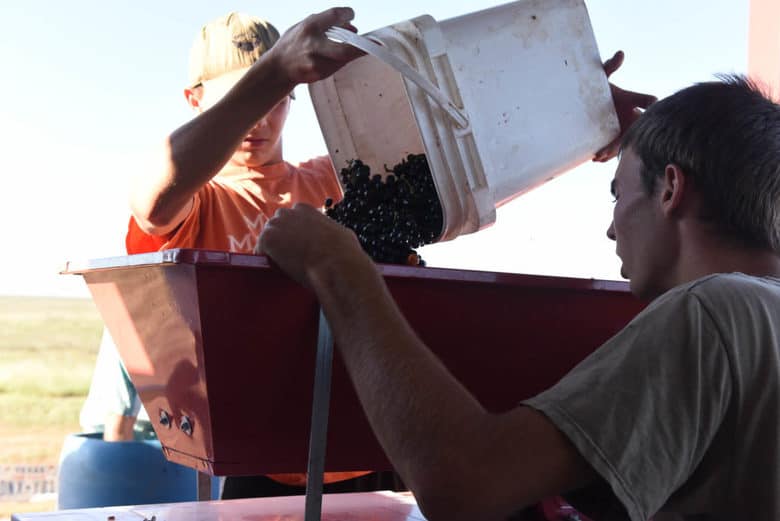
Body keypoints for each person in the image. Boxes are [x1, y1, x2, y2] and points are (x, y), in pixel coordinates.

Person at [258, 75, 780, 520]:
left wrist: (339, 269)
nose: (611, 231)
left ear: (670, 189)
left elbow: (466, 483)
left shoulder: (713, 312)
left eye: (618, 194)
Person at [79, 7, 408, 499]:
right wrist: (273, 72)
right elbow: (152, 201)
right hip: (261, 474)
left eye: (276, 100)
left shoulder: (333, 182)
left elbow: (428, 169)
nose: (259, 117)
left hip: (377, 452)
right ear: (195, 101)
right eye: (241, 97)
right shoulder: (198, 204)